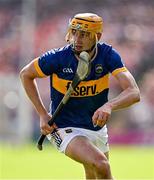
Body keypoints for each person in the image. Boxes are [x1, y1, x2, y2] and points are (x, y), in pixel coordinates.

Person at [20, 13, 140, 179]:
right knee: (101, 164)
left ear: (97, 36)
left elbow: (133, 92)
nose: (77, 39)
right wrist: (42, 114)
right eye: (74, 32)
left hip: (95, 127)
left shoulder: (107, 55)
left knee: (93, 173)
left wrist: (109, 105)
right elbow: (26, 74)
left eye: (84, 34)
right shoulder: (57, 58)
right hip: (62, 126)